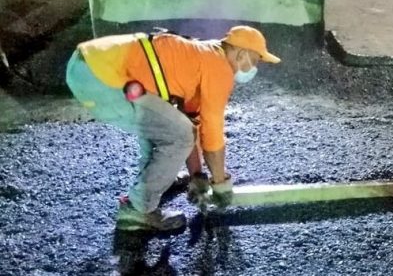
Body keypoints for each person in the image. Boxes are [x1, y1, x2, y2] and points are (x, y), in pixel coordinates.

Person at [65, 26, 281, 232]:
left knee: (166, 125)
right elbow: (212, 133)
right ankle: (138, 210)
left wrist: (197, 175)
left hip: (87, 65)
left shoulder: (203, 55)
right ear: (241, 54)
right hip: (100, 76)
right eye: (255, 60)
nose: (255, 68)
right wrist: (220, 184)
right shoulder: (220, 68)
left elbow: (190, 122)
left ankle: (158, 179)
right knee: (178, 135)